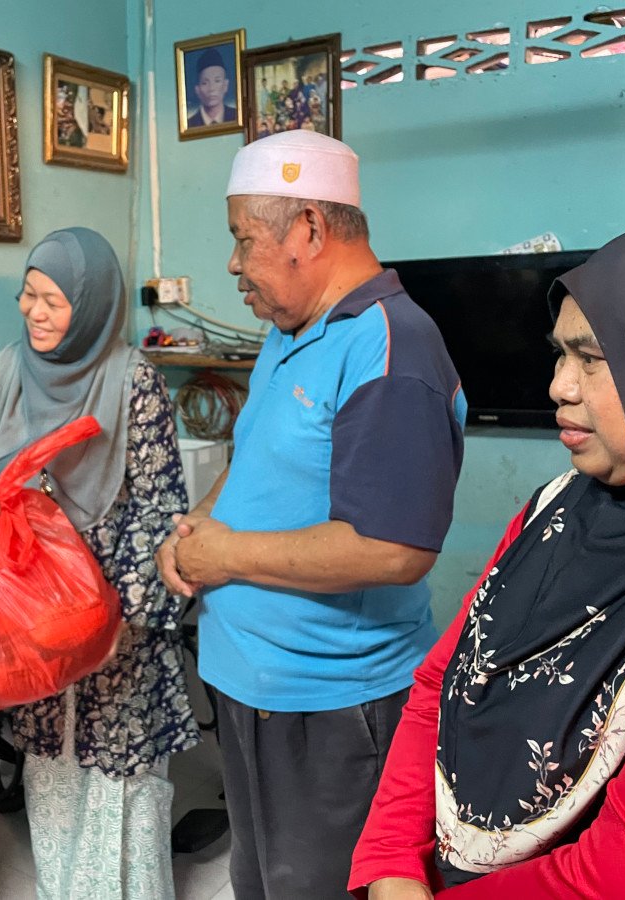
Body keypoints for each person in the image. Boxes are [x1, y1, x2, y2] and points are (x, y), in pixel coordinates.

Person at [350, 216, 625, 899]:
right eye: (560, 354)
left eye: (594, 358)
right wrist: (392, 860)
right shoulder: (557, 507)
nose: (559, 385)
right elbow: (442, 684)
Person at [156, 129, 467, 898]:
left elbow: (392, 549)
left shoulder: (392, 349)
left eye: (243, 239)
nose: (233, 264)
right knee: (261, 881)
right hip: (250, 686)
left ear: (309, 230)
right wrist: (193, 530)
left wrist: (225, 556)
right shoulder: (289, 331)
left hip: (329, 709)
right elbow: (254, 457)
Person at [0, 227, 199, 899]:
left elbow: (160, 510)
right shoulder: (6, 371)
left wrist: (114, 621)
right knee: (51, 768)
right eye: (27, 295)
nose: (33, 312)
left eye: (53, 301)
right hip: (33, 612)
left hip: (117, 619)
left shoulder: (133, 380)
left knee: (120, 777)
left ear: (90, 306)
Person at [187, 46, 237, 127]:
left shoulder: (237, 116)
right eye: (205, 83)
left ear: (225, 85)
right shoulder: (190, 125)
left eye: (217, 81)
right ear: (197, 89)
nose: (211, 88)